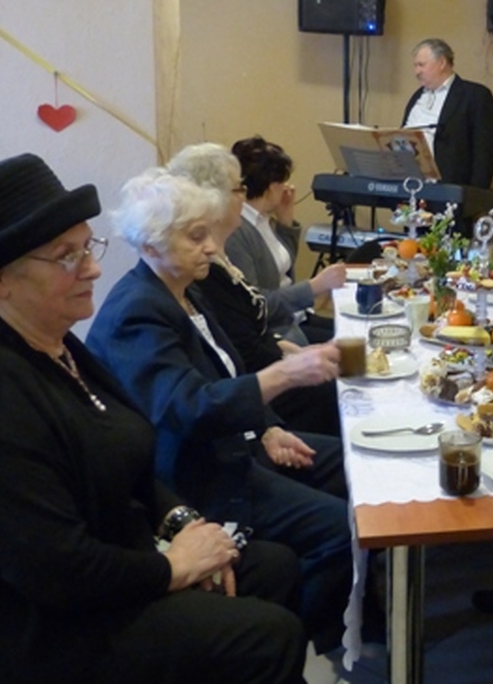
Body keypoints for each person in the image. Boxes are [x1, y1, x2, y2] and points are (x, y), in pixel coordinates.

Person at [0, 153, 307, 683]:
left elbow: (125, 448)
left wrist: (185, 524)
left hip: (100, 566)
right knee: (267, 636)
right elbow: (52, 569)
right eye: (66, 256)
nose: (91, 268)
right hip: (38, 635)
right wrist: (172, 566)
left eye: (88, 247)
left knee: (271, 568)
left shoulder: (44, 335)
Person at [86, 169, 353, 653]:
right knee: (341, 527)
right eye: (195, 237)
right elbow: (187, 407)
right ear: (150, 244)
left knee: (352, 463)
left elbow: (228, 370)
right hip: (196, 474)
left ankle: (358, 611)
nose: (211, 247)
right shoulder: (137, 312)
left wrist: (268, 427)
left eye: (209, 233)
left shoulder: (185, 290)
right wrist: (286, 376)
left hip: (234, 447)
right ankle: (311, 635)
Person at [168, 142, 341, 437]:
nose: (244, 196)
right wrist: (290, 367)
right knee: (341, 388)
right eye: (239, 189)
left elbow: (254, 319)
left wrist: (292, 352)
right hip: (257, 391)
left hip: (270, 361)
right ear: (215, 199)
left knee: (350, 365)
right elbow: (240, 351)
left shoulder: (224, 252)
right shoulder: (206, 270)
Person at [228, 135, 345, 345]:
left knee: (356, 330)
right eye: (282, 182)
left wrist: (286, 220)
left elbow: (283, 269)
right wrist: (315, 286)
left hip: (294, 317)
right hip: (277, 332)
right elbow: (256, 303)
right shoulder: (237, 230)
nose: (286, 187)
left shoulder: (262, 218)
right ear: (271, 186)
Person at [402, 37, 493, 189]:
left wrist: (476, 195)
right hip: (411, 186)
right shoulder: (417, 97)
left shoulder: (475, 96)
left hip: (450, 188)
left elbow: (484, 152)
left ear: (441, 63)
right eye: (415, 66)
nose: (417, 71)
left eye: (421, 65)